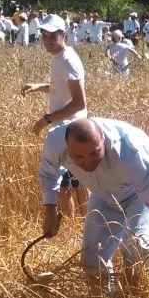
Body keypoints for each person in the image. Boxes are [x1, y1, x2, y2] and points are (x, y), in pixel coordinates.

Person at [38, 118, 149, 288]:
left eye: (95, 153)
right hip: (102, 196)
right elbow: (49, 175)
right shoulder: (55, 142)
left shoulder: (132, 155)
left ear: (103, 139)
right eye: (79, 157)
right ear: (67, 147)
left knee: (136, 249)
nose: (88, 162)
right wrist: (49, 212)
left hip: (138, 194)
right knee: (91, 259)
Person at [21, 14, 90, 217]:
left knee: (63, 186)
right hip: (72, 128)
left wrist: (47, 119)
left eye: (52, 36)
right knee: (79, 182)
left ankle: (70, 232)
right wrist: (38, 86)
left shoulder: (68, 60)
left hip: (69, 129)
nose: (47, 41)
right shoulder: (60, 58)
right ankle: (89, 225)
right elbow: (61, 89)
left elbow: (79, 102)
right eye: (44, 36)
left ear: (63, 34)